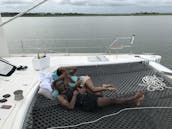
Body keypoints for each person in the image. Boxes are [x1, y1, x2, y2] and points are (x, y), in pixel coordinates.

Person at [52, 79, 144, 112]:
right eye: (59, 85)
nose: (62, 85)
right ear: (57, 88)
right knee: (113, 100)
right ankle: (136, 97)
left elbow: (75, 87)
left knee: (107, 99)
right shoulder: (60, 97)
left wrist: (79, 87)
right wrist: (76, 95)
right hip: (87, 103)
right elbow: (71, 107)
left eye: (62, 83)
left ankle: (135, 101)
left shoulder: (67, 88)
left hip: (87, 96)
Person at [52, 66, 117, 93]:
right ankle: (104, 86)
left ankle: (108, 89)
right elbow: (54, 84)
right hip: (80, 85)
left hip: (83, 79)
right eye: (63, 71)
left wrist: (65, 68)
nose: (65, 71)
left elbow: (75, 68)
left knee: (93, 89)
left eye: (64, 70)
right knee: (94, 92)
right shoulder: (62, 81)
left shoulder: (69, 74)